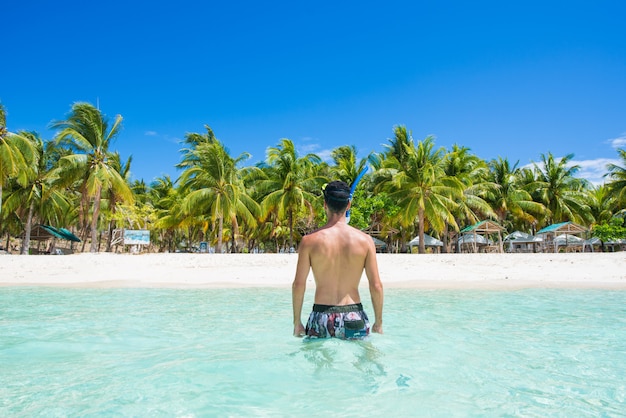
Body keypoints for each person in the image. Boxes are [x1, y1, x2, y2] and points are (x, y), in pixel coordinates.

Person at [292, 180, 384, 339]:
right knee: (363, 362)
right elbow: (375, 285)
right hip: (353, 315)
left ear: (325, 204)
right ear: (348, 205)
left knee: (319, 363)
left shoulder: (309, 241)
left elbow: (299, 285)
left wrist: (297, 322)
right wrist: (378, 322)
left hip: (321, 315)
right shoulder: (365, 241)